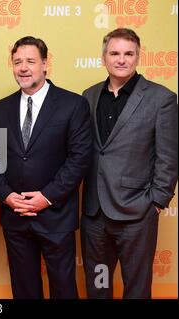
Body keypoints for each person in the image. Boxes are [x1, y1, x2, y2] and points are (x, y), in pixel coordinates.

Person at [0, 36, 92, 299]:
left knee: (63, 288)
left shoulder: (73, 104)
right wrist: (6, 196)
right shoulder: (1, 108)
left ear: (46, 64)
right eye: (17, 62)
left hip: (56, 215)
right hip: (15, 216)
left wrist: (46, 197)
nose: (23, 67)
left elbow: (79, 158)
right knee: (24, 290)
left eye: (31, 61)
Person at [81, 28, 178, 299]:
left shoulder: (162, 99)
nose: (121, 59)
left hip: (137, 214)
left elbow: (169, 156)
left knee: (136, 288)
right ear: (104, 58)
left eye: (128, 54)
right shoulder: (88, 96)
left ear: (138, 57)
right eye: (114, 53)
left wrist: (157, 201)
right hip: (94, 214)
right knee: (98, 285)